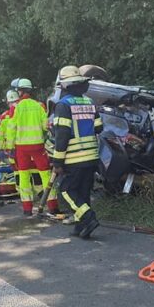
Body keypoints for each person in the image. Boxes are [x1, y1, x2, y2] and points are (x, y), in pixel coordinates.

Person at [52, 66, 102, 238]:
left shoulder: (63, 105)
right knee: (83, 191)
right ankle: (81, 227)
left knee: (66, 190)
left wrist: (57, 162)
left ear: (64, 86)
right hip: (92, 156)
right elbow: (99, 127)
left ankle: (88, 218)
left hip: (74, 157)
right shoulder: (89, 102)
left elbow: (62, 136)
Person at [5, 79, 58, 215]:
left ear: (20, 91)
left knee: (24, 177)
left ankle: (27, 209)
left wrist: (10, 148)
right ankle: (53, 207)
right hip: (38, 147)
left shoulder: (15, 108)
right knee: (46, 176)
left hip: (21, 149)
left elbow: (11, 130)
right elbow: (45, 127)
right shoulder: (39, 105)